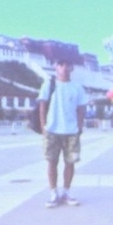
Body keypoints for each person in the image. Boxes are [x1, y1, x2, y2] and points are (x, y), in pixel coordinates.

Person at [38, 59, 87, 208]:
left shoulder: (77, 87)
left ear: (72, 67)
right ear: (56, 67)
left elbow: (81, 109)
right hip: (52, 130)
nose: (64, 68)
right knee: (52, 162)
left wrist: (79, 127)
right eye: (61, 65)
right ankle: (53, 193)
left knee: (70, 162)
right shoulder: (49, 85)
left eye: (67, 65)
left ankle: (66, 192)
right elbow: (42, 106)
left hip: (71, 131)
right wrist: (43, 127)